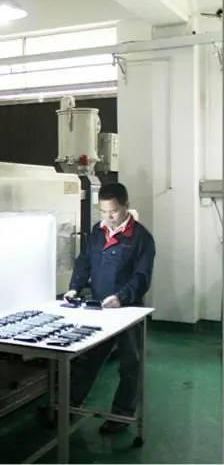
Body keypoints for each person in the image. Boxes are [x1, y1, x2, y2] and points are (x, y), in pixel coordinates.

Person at [61, 182, 156, 433]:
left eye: (113, 212)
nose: (108, 217)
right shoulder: (98, 231)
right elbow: (84, 261)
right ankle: (69, 406)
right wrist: (74, 287)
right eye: (103, 211)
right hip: (99, 308)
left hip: (127, 310)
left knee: (130, 364)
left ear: (126, 206)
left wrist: (121, 298)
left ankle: (122, 415)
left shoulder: (141, 238)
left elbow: (142, 277)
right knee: (88, 359)